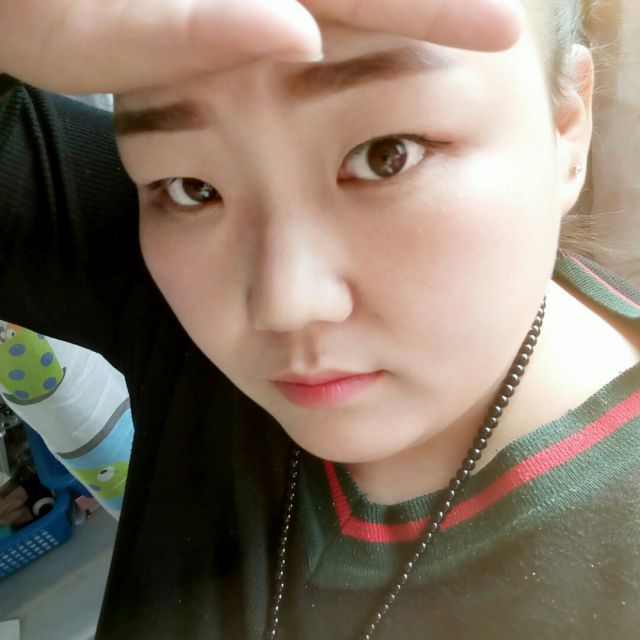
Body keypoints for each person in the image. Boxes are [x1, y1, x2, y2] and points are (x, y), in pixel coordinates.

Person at [0, 1, 638, 639]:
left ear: (567, 128)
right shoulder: (159, 284)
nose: (284, 305)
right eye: (193, 187)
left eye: (387, 155)